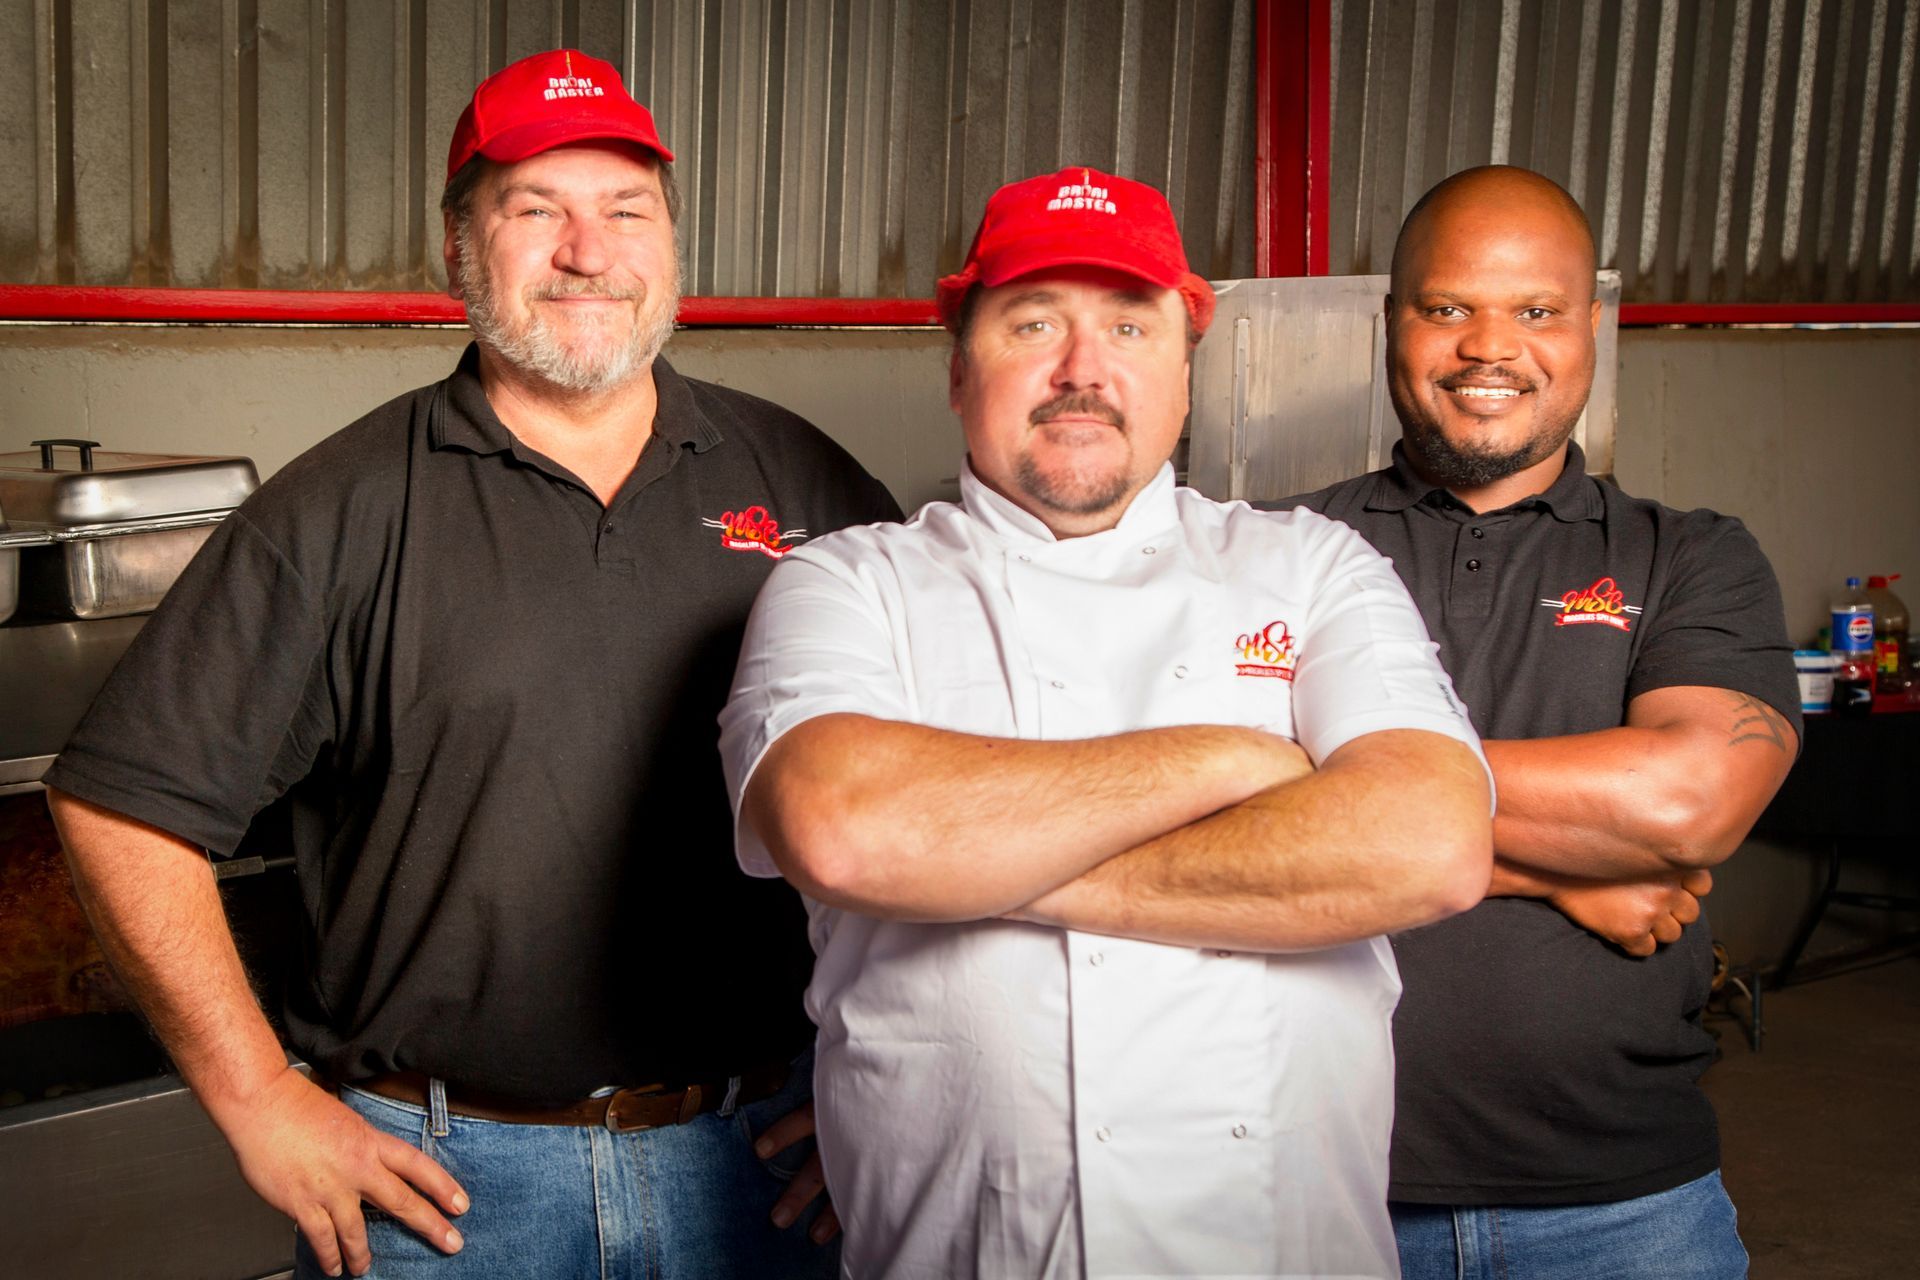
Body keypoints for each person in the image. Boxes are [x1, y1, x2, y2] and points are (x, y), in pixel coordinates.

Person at [46, 47, 899, 1280]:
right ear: (458, 247)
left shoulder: (806, 482)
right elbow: (120, 805)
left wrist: (907, 1075)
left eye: (626, 210)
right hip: (448, 1191)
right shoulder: (338, 512)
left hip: (762, 1164)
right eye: (534, 209)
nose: (586, 251)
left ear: (671, 241)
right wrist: (254, 1097)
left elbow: (950, 782)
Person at [717, 166, 1494, 1279]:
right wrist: (1241, 760)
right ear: (955, 368)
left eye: (1131, 325)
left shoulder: (1312, 566)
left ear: (1184, 371)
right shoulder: (848, 583)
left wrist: (962, 857)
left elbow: (1430, 842)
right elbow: (845, 830)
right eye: (1033, 323)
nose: (1083, 369)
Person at [1277, 165, 1799, 1280]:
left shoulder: (1693, 554)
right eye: (1448, 306)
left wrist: (1321, 776)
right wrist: (1560, 869)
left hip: (1626, 1208)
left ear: (1591, 327)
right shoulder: (1266, 549)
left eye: (1536, 310)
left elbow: (1687, 799)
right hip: (1301, 1188)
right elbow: (1174, 807)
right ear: (1392, 321)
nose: (1489, 346)